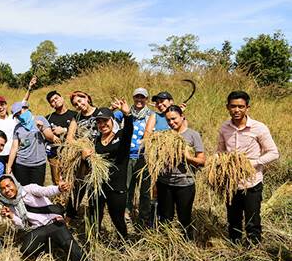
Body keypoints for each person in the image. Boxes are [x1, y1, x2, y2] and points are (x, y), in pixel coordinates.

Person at [0, 175, 96, 261]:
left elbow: (45, 191)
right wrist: (11, 216)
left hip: (53, 223)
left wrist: (58, 189)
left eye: (8, 186)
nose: (7, 190)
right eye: (3, 188)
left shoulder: (29, 189)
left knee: (71, 246)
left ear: (15, 184)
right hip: (39, 229)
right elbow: (22, 225)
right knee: (27, 249)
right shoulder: (11, 205)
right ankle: (50, 243)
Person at [217, 91, 279, 245]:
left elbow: (274, 153)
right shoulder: (225, 127)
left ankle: (254, 249)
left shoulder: (259, 128)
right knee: (233, 219)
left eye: (240, 106)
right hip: (231, 183)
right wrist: (218, 162)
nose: (236, 110)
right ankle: (234, 246)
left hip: (252, 182)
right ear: (227, 107)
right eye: (233, 106)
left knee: (252, 219)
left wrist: (253, 163)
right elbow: (219, 150)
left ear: (247, 108)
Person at [156, 105, 206, 240]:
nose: (171, 123)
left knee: (184, 217)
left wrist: (188, 158)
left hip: (185, 183)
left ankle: (187, 243)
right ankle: (166, 242)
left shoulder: (193, 135)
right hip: (164, 183)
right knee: (165, 217)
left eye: (174, 119)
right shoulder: (164, 136)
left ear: (182, 117)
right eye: (168, 121)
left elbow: (202, 160)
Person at [86, 102, 133, 241]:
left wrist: (127, 114)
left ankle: (124, 242)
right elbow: (90, 162)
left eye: (105, 120)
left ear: (112, 120)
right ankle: (93, 240)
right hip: (98, 185)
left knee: (117, 218)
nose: (102, 124)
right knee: (95, 215)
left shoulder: (120, 136)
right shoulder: (96, 141)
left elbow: (129, 130)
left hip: (116, 186)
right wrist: (85, 157)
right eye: (99, 122)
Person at [115, 88, 153, 228]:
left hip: (144, 157)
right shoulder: (123, 113)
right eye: (137, 97)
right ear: (133, 98)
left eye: (142, 97)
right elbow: (108, 119)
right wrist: (115, 108)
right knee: (127, 187)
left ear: (146, 99)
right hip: (127, 156)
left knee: (145, 190)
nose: (139, 100)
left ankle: (144, 217)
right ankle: (126, 213)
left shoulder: (151, 115)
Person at [6, 101, 56, 186]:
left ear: (26, 109)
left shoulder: (40, 119)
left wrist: (42, 128)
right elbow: (14, 148)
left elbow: (51, 138)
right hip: (21, 164)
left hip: (38, 164)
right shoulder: (18, 128)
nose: (19, 116)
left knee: (37, 191)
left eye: (19, 113)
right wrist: (9, 166)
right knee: (24, 191)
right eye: (17, 115)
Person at [44, 90, 77, 183]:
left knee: (72, 180)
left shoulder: (75, 115)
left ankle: (72, 198)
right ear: (51, 105)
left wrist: (64, 130)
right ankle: (59, 198)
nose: (55, 101)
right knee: (57, 182)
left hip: (71, 154)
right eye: (52, 101)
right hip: (55, 155)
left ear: (62, 98)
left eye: (56, 98)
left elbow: (81, 132)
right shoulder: (48, 118)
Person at [0, 95, 16, 166]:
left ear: (6, 105)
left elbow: (23, 104)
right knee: (1, 176)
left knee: (17, 176)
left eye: (2, 105)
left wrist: (29, 89)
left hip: (13, 153)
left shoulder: (13, 118)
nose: (0, 107)